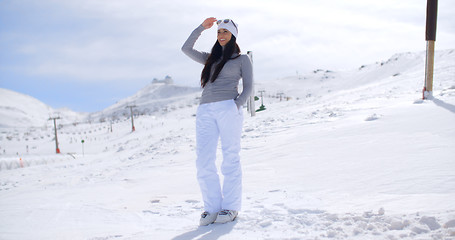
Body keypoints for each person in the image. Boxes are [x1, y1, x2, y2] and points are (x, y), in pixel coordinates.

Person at [181, 17, 253, 226]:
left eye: (225, 32)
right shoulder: (210, 58)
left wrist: (236, 105)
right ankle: (211, 208)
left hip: (228, 108)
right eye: (219, 32)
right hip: (205, 110)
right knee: (203, 160)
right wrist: (201, 28)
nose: (221, 35)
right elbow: (186, 48)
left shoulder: (241, 60)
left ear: (233, 36)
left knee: (230, 157)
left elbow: (248, 87)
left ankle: (230, 207)